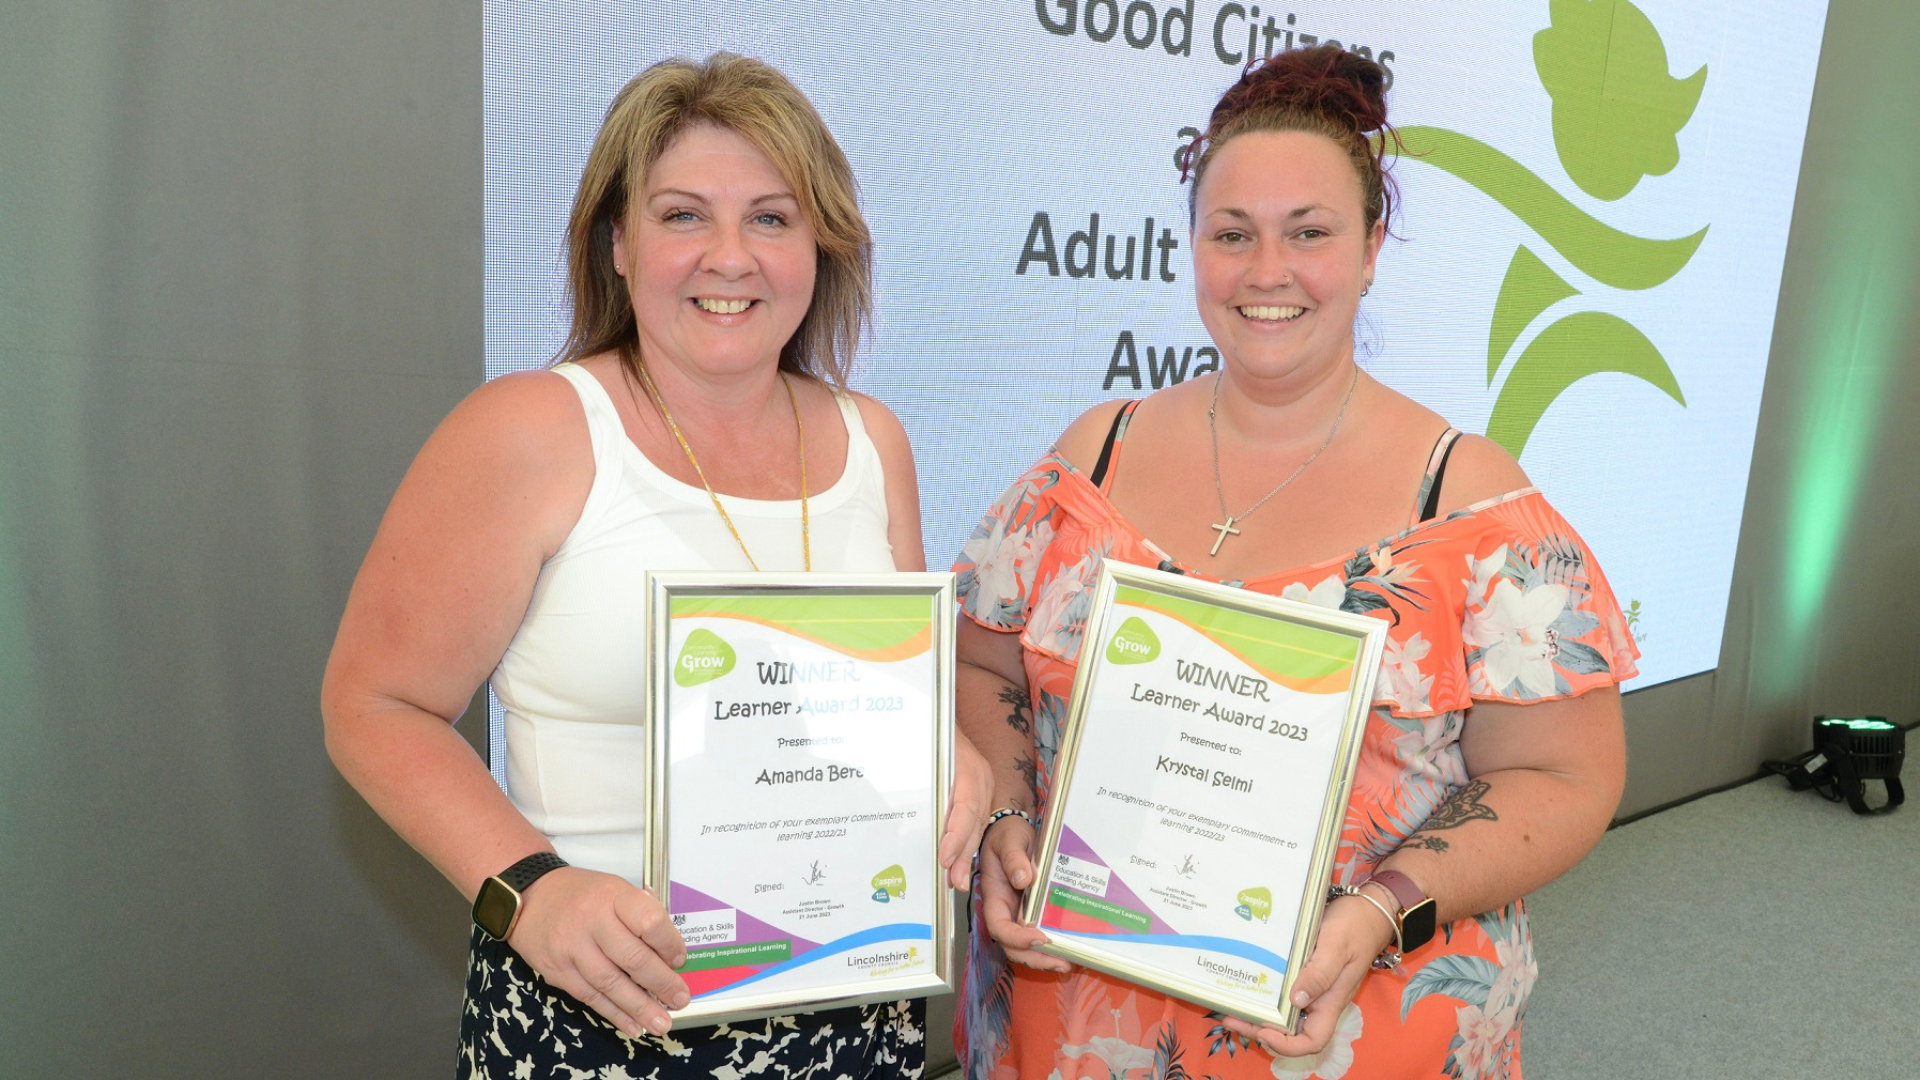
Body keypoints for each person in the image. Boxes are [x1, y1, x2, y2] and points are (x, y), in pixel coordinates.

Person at [953, 45, 1634, 1080]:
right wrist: (1004, 817)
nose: (1266, 272)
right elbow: (982, 666)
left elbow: (1567, 774)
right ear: (1194, 250)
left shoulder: (1471, 507)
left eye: (1307, 233)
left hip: (1354, 1023)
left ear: (1370, 247)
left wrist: (1379, 909)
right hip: (1078, 1018)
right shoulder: (1089, 463)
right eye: (1233, 235)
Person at [322, 53, 990, 1078]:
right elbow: (376, 704)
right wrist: (531, 891)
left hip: (851, 1014)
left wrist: (954, 759)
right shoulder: (531, 429)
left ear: (822, 246)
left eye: (771, 217)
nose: (731, 256)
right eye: (684, 216)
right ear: (619, 244)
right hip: (602, 1014)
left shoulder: (874, 441)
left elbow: (901, 706)